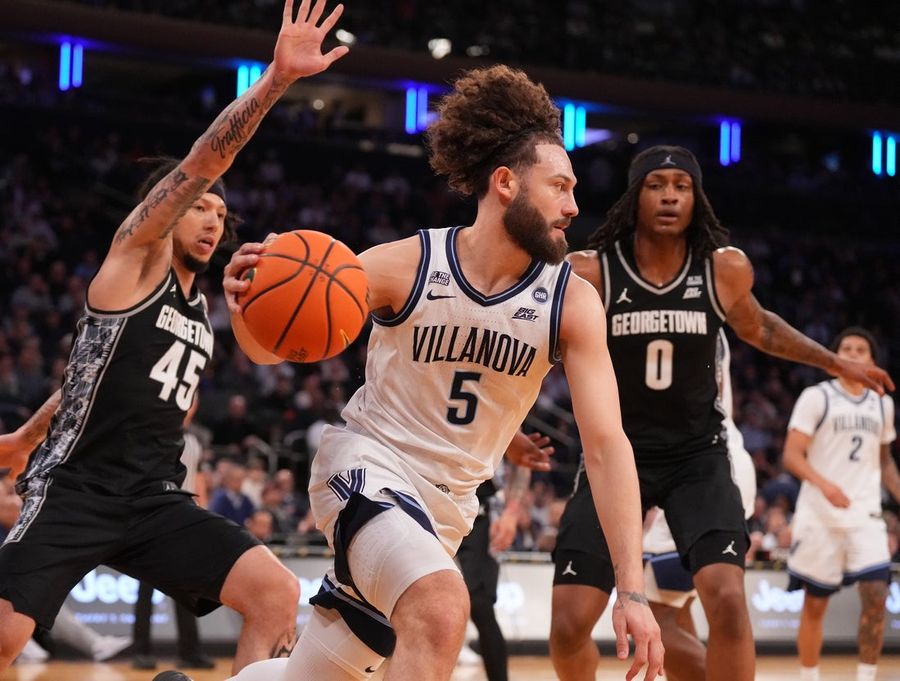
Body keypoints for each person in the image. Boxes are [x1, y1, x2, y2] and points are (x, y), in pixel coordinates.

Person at [215, 63, 662, 681]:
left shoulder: (571, 302)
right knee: (443, 606)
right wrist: (248, 312)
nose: (573, 205)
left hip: (447, 511)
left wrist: (632, 591)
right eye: (559, 186)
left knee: (315, 674)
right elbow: (278, 349)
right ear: (506, 183)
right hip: (368, 469)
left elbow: (608, 446)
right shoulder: (408, 265)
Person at [0, 0, 350, 672]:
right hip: (76, 487)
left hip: (154, 495)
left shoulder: (201, 313)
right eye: (199, 206)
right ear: (163, 209)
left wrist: (23, 434)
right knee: (5, 636)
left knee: (276, 593)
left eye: (222, 213)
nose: (213, 219)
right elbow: (203, 160)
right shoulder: (132, 259)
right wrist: (275, 81)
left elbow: (93, 378)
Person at [549, 145, 894, 681]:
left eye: (681, 186)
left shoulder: (721, 270)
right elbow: (538, 347)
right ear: (634, 196)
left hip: (697, 456)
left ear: (696, 197)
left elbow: (763, 328)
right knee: (569, 621)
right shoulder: (592, 272)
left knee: (729, 601)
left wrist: (834, 363)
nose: (668, 195)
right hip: (617, 454)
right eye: (656, 184)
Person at [639, 330, 757, 681]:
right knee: (681, 600)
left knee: (649, 612)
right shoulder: (708, 315)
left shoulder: (663, 314)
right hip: (723, 459)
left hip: (696, 464)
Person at [783, 327, 899, 681]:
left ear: (872, 362)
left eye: (860, 349)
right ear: (833, 361)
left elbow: (885, 462)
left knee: (877, 597)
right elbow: (791, 455)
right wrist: (825, 485)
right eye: (845, 348)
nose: (852, 353)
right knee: (815, 606)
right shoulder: (816, 397)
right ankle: (809, 676)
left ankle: (866, 676)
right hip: (820, 515)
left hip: (865, 515)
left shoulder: (883, 402)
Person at [456, 435, 551, 681]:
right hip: (430, 504)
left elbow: (523, 458)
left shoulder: (504, 401)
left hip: (480, 514)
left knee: (480, 604)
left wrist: (511, 512)